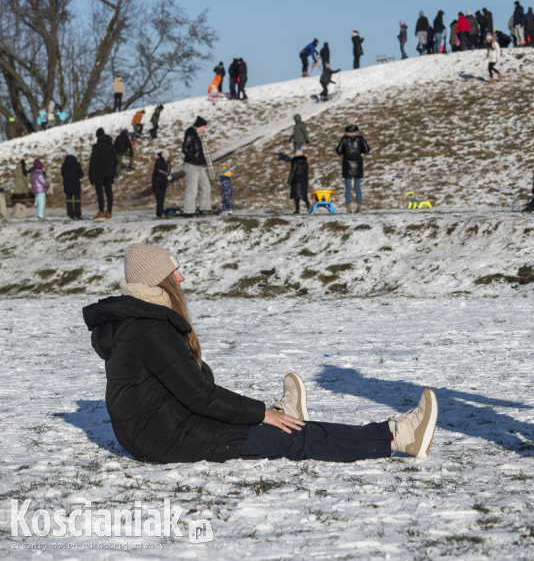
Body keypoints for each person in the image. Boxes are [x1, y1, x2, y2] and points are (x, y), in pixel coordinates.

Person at [83, 243, 439, 464]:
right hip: (167, 439)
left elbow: (194, 387)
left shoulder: (138, 320)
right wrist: (260, 415)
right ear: (157, 281)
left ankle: (280, 414)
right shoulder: (149, 327)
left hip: (160, 430)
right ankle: (396, 436)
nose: (182, 278)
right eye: (173, 271)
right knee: (295, 438)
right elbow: (200, 395)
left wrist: (256, 414)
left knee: (277, 424)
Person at [181, 116, 214, 216]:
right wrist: (194, 157)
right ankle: (188, 210)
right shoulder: (190, 134)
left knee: (206, 186)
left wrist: (202, 160)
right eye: (204, 126)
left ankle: (205, 208)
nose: (205, 128)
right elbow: (184, 149)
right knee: (192, 188)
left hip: (199, 165)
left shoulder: (199, 135)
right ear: (200, 126)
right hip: (191, 165)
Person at [336, 124, 370, 213]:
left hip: (347, 164)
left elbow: (339, 151)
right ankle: (359, 207)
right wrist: (359, 150)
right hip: (358, 164)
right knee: (357, 186)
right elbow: (366, 150)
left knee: (348, 187)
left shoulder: (344, 139)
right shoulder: (360, 139)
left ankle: (348, 207)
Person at [88, 128, 118, 221]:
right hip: (109, 174)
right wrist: (113, 173)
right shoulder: (111, 147)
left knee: (100, 193)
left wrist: (91, 176)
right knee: (109, 193)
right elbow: (116, 161)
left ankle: (101, 212)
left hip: (98, 174)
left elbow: (93, 162)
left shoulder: (97, 147)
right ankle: (109, 212)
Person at [61, 147, 85, 220]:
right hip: (75, 183)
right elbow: (81, 175)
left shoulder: (64, 164)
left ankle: (70, 213)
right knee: (77, 198)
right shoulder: (76, 164)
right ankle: (77, 213)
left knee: (69, 198)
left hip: (67, 183)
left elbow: (62, 173)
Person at [284, 148, 310, 214]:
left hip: (296, 180)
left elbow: (293, 172)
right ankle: (308, 206)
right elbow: (306, 172)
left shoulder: (294, 161)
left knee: (296, 196)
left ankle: (297, 209)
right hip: (303, 180)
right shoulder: (305, 161)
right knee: (304, 195)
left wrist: (289, 180)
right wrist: (306, 180)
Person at [152, 151, 172, 218]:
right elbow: (157, 171)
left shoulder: (168, 163)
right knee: (159, 198)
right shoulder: (158, 162)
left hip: (163, 182)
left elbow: (168, 171)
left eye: (167, 156)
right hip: (157, 182)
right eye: (165, 156)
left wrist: (169, 176)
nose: (167, 158)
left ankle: (160, 211)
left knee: (162, 197)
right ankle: (159, 212)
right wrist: (166, 175)